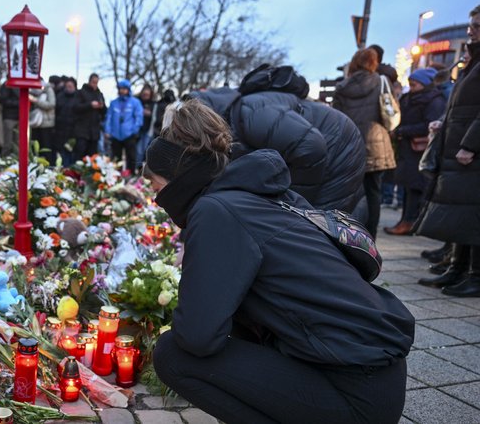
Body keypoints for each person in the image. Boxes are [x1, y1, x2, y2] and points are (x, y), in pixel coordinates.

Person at [143, 98, 414, 424]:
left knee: (173, 355)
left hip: (354, 394)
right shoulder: (260, 194)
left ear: (177, 178)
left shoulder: (216, 210)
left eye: (156, 187)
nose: (156, 200)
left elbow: (197, 337)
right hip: (376, 377)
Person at [192, 85, 365, 213]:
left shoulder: (249, 112)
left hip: (338, 146)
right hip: (322, 150)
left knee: (321, 231)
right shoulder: (228, 122)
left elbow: (311, 148)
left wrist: (296, 205)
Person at [415, 4, 480, 297]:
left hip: (470, 151)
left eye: (477, 26)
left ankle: (475, 275)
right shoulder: (473, 62)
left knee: (472, 213)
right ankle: (457, 268)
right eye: (471, 26)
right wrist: (444, 124)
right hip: (458, 147)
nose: (471, 31)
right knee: (461, 212)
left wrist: (471, 143)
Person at [333, 49, 396, 237]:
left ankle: (350, 234)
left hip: (351, 144)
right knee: (373, 192)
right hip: (377, 144)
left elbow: (337, 118)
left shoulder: (342, 87)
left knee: (350, 193)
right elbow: (390, 112)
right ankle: (371, 237)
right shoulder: (381, 81)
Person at [384, 68, 446, 235]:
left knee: (415, 187)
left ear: (424, 84)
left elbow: (429, 124)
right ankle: (405, 220)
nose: (411, 88)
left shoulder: (434, 100)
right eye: (410, 84)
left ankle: (410, 222)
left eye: (414, 84)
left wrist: (402, 131)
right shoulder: (409, 98)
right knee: (408, 187)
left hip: (419, 148)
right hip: (407, 148)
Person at [104, 79, 143, 173]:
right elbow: (108, 117)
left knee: (131, 157)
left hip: (129, 135)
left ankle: (131, 175)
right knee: (116, 159)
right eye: (120, 88)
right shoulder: (113, 103)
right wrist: (107, 131)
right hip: (115, 135)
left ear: (128, 89)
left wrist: (134, 130)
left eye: (124, 89)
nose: (122, 91)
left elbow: (139, 117)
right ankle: (116, 176)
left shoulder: (135, 102)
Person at [72, 73, 107, 160]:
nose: (95, 84)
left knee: (92, 156)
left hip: (94, 131)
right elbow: (75, 107)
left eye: (96, 82)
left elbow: (104, 112)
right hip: (82, 130)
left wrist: (102, 107)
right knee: (80, 154)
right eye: (93, 82)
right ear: (89, 81)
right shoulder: (80, 92)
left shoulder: (99, 94)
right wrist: (90, 105)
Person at [30, 78, 57, 164]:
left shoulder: (48, 89)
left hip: (46, 124)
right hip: (35, 123)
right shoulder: (30, 91)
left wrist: (35, 100)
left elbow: (51, 104)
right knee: (35, 148)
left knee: (46, 148)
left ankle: (48, 166)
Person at [54, 77, 78, 166]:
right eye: (67, 86)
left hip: (73, 130)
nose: (69, 88)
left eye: (71, 86)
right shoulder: (60, 96)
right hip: (60, 129)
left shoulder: (78, 97)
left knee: (71, 153)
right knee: (61, 154)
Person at [135, 85, 158, 169]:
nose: (145, 96)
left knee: (145, 151)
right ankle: (137, 167)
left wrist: (150, 114)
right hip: (136, 130)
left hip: (148, 130)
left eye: (147, 94)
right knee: (138, 150)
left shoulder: (154, 104)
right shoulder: (137, 102)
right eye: (144, 94)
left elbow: (156, 117)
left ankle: (143, 168)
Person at [0, 84, 20, 157]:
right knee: (8, 143)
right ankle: (6, 159)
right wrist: (18, 102)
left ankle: (16, 159)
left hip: (19, 116)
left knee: (17, 143)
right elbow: (2, 99)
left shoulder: (18, 85)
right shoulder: (6, 85)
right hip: (9, 117)